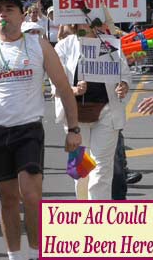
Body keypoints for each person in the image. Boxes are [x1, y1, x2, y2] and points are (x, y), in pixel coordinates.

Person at [0, 0, 81, 260]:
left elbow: (63, 88)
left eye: (9, 9)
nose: (3, 14)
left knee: (30, 195)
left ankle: (36, 252)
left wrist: (73, 129)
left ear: (21, 15)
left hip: (28, 130)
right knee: (7, 199)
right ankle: (15, 255)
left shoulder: (38, 45)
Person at [51, 23, 130, 200]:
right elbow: (55, 83)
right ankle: (83, 209)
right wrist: (73, 89)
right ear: (74, 23)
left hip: (106, 112)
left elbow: (124, 72)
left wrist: (123, 85)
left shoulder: (110, 43)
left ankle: (97, 218)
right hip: (75, 115)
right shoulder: (64, 46)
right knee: (80, 170)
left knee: (102, 169)